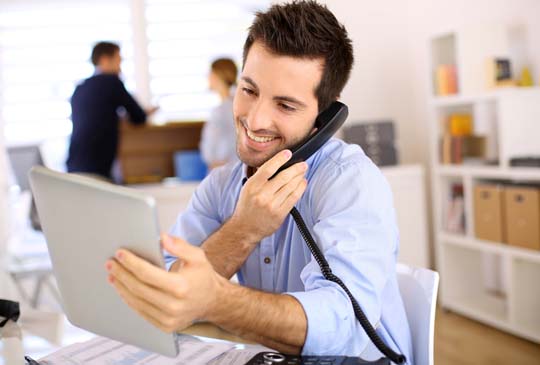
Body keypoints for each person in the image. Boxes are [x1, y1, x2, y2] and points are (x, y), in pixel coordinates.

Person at [106, 1, 412, 362]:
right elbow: (170, 289)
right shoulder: (221, 185)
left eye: (285, 105)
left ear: (325, 115)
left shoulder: (351, 182)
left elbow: (344, 325)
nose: (255, 120)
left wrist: (219, 301)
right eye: (249, 90)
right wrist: (244, 229)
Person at [67, 42, 157, 180]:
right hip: (98, 165)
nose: (120, 68)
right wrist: (148, 112)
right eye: (118, 61)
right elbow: (138, 117)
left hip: (74, 164)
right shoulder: (112, 82)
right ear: (104, 59)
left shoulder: (80, 88)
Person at [199, 58, 239, 169]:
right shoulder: (226, 106)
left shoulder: (225, 109)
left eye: (210, 73)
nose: (208, 77)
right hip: (224, 169)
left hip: (225, 169)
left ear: (218, 75)